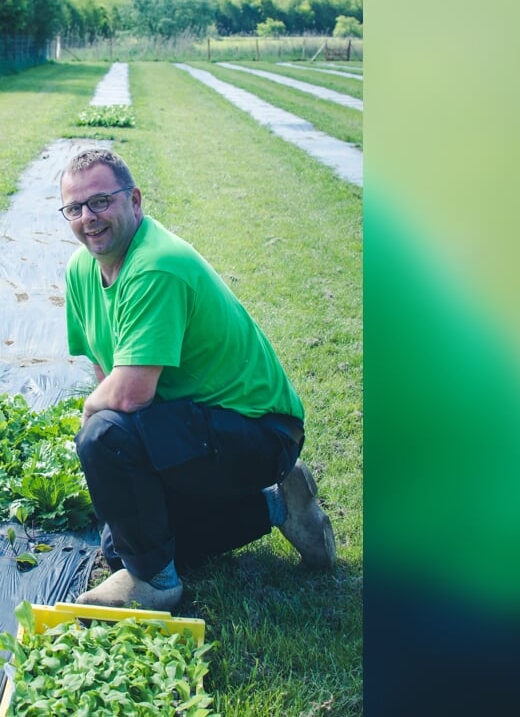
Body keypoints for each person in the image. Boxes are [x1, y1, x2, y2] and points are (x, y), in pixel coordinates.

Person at [59, 148, 336, 612]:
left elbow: (128, 393)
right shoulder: (81, 269)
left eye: (101, 201)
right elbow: (105, 366)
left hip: (261, 432)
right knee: (120, 546)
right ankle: (279, 505)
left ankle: (156, 584)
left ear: (135, 201)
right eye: (75, 208)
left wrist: (93, 424)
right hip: (190, 426)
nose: (89, 217)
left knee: (104, 436)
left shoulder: (156, 266)